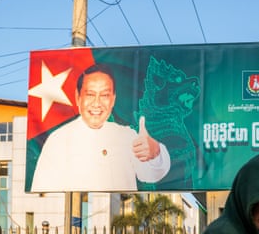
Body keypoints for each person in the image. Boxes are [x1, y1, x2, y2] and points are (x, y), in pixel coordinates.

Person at [31, 64, 170, 192]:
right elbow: (42, 190)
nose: (97, 103)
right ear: (78, 97)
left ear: (113, 99)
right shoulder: (58, 140)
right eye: (90, 95)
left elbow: (151, 175)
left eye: (104, 95)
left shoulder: (126, 136)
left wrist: (155, 150)